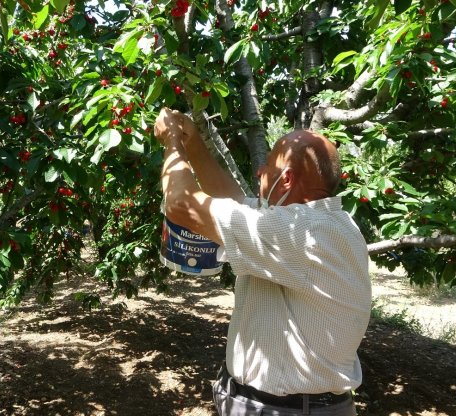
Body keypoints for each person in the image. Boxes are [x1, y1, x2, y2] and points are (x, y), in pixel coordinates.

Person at [154, 108, 371, 416]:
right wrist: (193, 143)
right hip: (287, 405)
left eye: (268, 164)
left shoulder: (300, 233)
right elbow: (232, 201)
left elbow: (180, 205)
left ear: (287, 179)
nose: (259, 171)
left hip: (285, 410)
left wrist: (172, 141)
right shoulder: (326, 224)